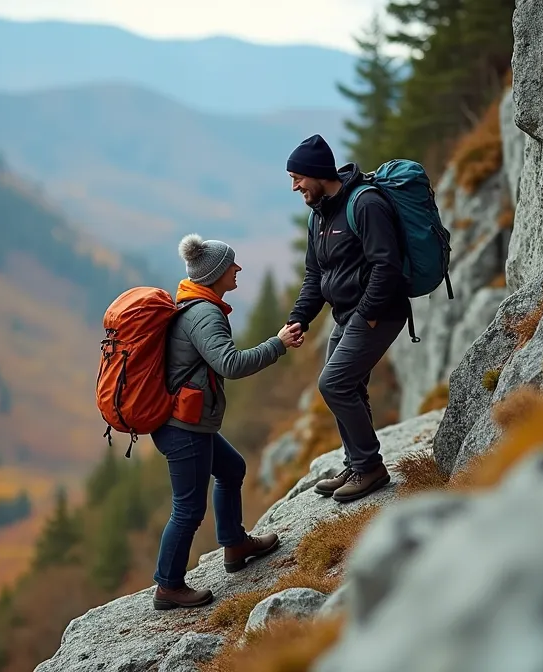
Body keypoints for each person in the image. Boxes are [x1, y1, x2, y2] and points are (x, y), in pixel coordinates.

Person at [150, 234, 303, 610]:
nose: (237, 269)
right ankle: (168, 587)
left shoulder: (193, 303)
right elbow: (230, 364)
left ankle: (234, 544)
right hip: (183, 428)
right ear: (215, 274)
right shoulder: (204, 314)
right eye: (231, 265)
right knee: (187, 509)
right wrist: (278, 343)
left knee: (232, 468)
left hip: (188, 422)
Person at [284, 134, 409, 503]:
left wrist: (368, 316)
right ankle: (357, 463)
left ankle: (370, 468)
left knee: (334, 384)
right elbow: (314, 277)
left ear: (317, 174)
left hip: (378, 312)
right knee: (347, 387)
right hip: (346, 314)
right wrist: (298, 319)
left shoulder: (365, 204)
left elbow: (386, 266)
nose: (294, 187)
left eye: (297, 178)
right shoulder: (318, 216)